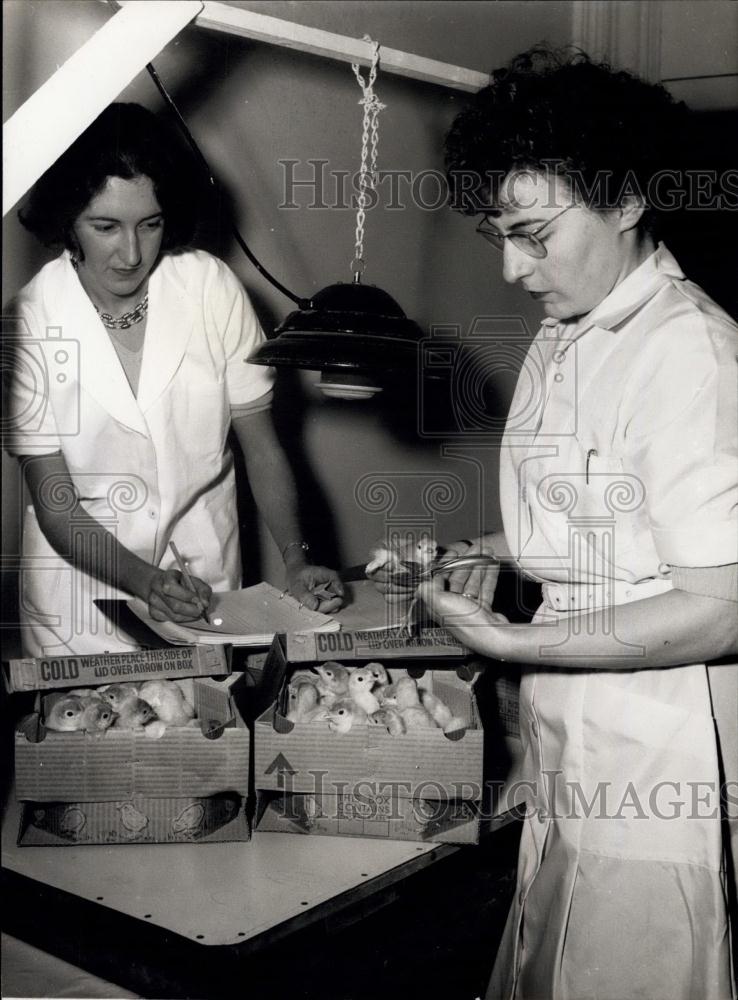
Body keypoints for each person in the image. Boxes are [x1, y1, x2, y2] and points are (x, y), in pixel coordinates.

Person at [374, 49, 738, 999]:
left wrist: (508, 637)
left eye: (533, 232)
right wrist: (486, 557)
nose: (510, 266)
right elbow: (610, 513)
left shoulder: (689, 353)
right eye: (500, 233)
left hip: (664, 744)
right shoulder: (567, 329)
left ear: (623, 200)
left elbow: (723, 606)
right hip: (573, 729)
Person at [4, 102, 343, 657]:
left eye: (151, 223)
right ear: (68, 219)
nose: (132, 253)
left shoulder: (212, 288)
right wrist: (144, 581)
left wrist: (296, 558)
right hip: (79, 605)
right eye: (106, 226)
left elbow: (261, 448)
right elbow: (56, 502)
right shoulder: (28, 322)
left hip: (205, 588)